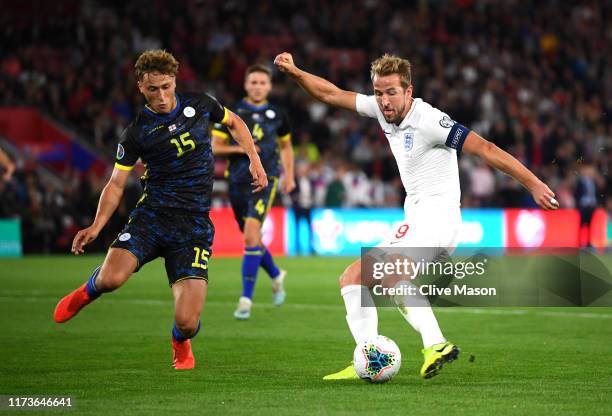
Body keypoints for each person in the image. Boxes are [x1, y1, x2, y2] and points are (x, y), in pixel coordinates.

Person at [274, 52, 558, 379]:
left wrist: (534, 185)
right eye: (378, 93)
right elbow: (331, 94)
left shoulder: (430, 121)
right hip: (421, 220)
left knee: (391, 273)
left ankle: (435, 343)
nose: (383, 101)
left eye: (391, 92)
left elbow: (487, 149)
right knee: (353, 278)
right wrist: (295, 73)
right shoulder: (383, 111)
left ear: (409, 91)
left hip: (437, 219)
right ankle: (368, 358)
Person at [53, 49, 266, 370]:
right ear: (140, 87)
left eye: (167, 86)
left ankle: (180, 341)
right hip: (152, 217)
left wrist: (254, 159)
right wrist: (96, 226)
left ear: (175, 81)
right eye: (153, 89)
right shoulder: (137, 132)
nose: (162, 96)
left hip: (193, 227)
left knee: (188, 322)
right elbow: (115, 183)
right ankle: (87, 291)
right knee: (112, 279)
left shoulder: (200, 104)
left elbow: (235, 122)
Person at [211, 64, 295, 320]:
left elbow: (287, 147)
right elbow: (215, 147)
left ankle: (245, 299)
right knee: (253, 239)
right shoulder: (232, 113)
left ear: (269, 86)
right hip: (237, 182)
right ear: (246, 85)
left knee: (249, 236)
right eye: (253, 82)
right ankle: (276, 274)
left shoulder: (278, 114)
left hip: (266, 179)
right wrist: (245, 149)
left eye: (262, 82)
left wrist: (289, 175)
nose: (258, 86)